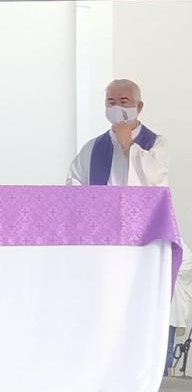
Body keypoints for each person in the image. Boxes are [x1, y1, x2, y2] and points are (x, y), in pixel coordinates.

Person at [65, 79, 187, 375]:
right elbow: (73, 185)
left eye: (123, 102)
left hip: (144, 244)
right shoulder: (92, 148)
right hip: (103, 247)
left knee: (141, 309)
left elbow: (157, 181)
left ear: (138, 106)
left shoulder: (156, 144)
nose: (117, 108)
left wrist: (128, 145)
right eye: (110, 102)